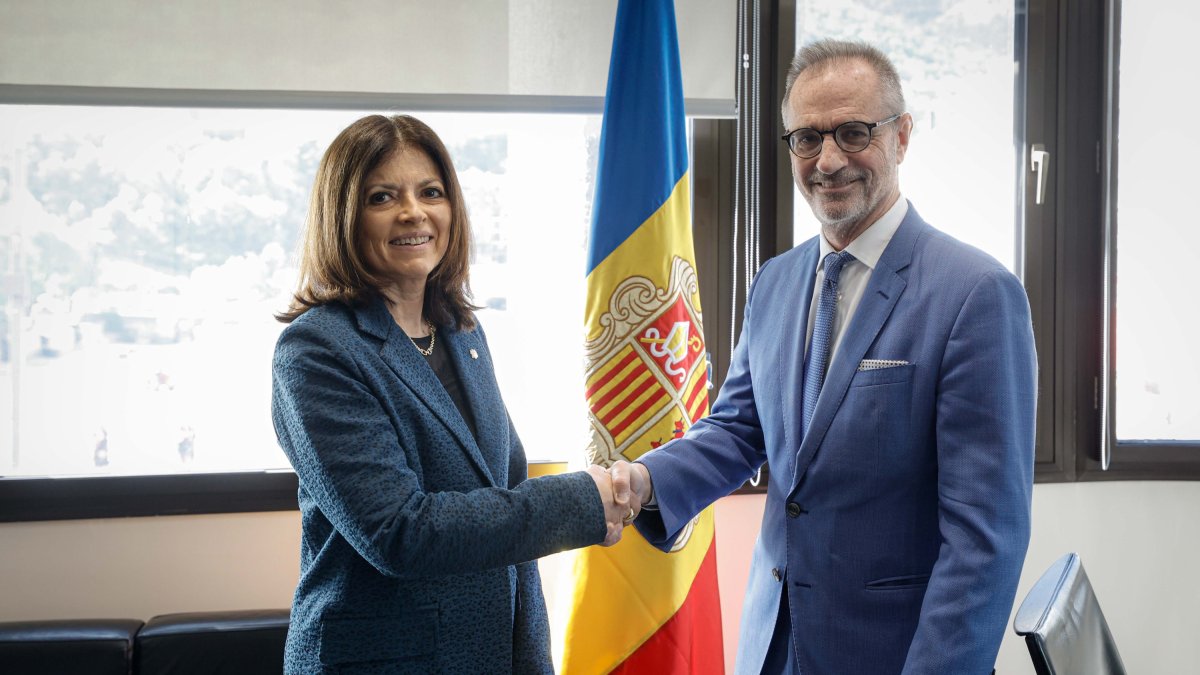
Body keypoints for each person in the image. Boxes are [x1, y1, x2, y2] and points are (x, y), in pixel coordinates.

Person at [614, 39, 1037, 674]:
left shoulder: (975, 294)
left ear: (901, 136)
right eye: (807, 138)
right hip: (771, 647)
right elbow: (738, 430)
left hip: (892, 656)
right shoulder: (775, 281)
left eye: (853, 132)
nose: (828, 160)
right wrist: (645, 482)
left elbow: (985, 539)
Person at [271, 114, 633, 674]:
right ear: (343, 216)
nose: (413, 212)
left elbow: (499, 493)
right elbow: (401, 532)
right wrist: (579, 502)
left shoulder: (461, 332)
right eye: (382, 197)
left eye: (430, 192)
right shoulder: (317, 350)